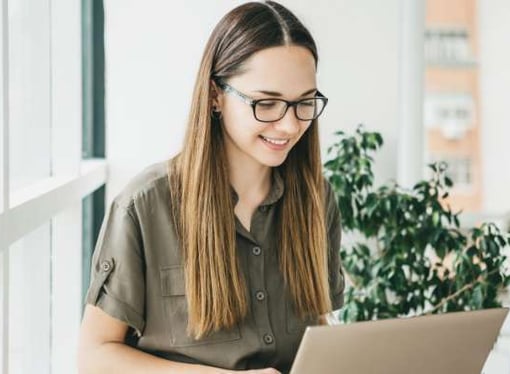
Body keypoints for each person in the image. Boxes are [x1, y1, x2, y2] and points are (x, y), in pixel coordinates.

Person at [77, 1, 344, 373]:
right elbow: (95, 357)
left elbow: (318, 326)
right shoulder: (144, 206)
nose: (288, 126)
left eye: (303, 104)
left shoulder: (318, 200)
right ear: (216, 95)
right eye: (266, 103)